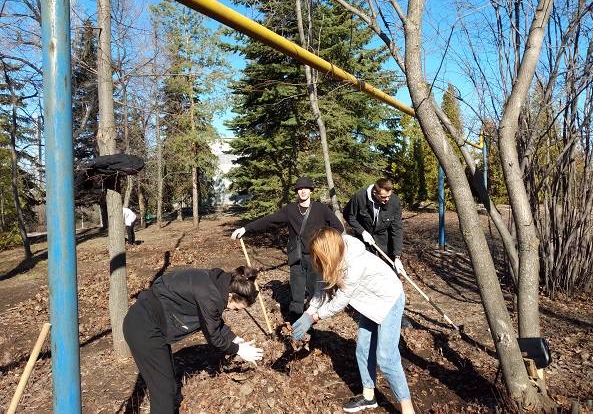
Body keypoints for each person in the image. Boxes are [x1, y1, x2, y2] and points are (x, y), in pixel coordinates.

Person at [292, 227, 415, 414]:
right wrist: (308, 312)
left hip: (389, 299)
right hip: (369, 303)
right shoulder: (334, 257)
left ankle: (408, 409)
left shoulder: (354, 264)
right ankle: (368, 397)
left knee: (386, 357)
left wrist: (315, 318)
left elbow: (340, 301)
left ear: (329, 251)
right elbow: (323, 287)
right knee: (363, 349)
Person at [123, 266, 264, 414]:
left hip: (151, 323)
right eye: (235, 308)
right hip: (143, 328)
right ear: (230, 296)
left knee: (169, 385)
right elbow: (214, 337)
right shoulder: (210, 297)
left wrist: (235, 339)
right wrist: (239, 350)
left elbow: (211, 319)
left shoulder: (216, 282)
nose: (232, 311)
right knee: (163, 391)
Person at [231, 177, 344, 323]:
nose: (303, 191)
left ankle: (309, 325)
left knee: (314, 293)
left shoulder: (320, 209)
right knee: (296, 295)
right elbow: (269, 220)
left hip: (316, 258)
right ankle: (295, 324)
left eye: (305, 188)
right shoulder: (290, 209)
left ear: (310, 190)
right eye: (299, 189)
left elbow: (338, 228)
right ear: (297, 191)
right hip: (296, 257)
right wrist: (246, 228)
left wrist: (326, 245)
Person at [343, 178, 404, 273]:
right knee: (366, 272)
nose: (387, 199)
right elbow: (349, 215)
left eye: (389, 196)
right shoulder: (359, 197)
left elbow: (397, 229)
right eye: (384, 197)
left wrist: (397, 257)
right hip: (364, 242)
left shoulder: (394, 202)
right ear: (375, 193)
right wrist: (362, 231)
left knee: (389, 272)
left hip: (385, 241)